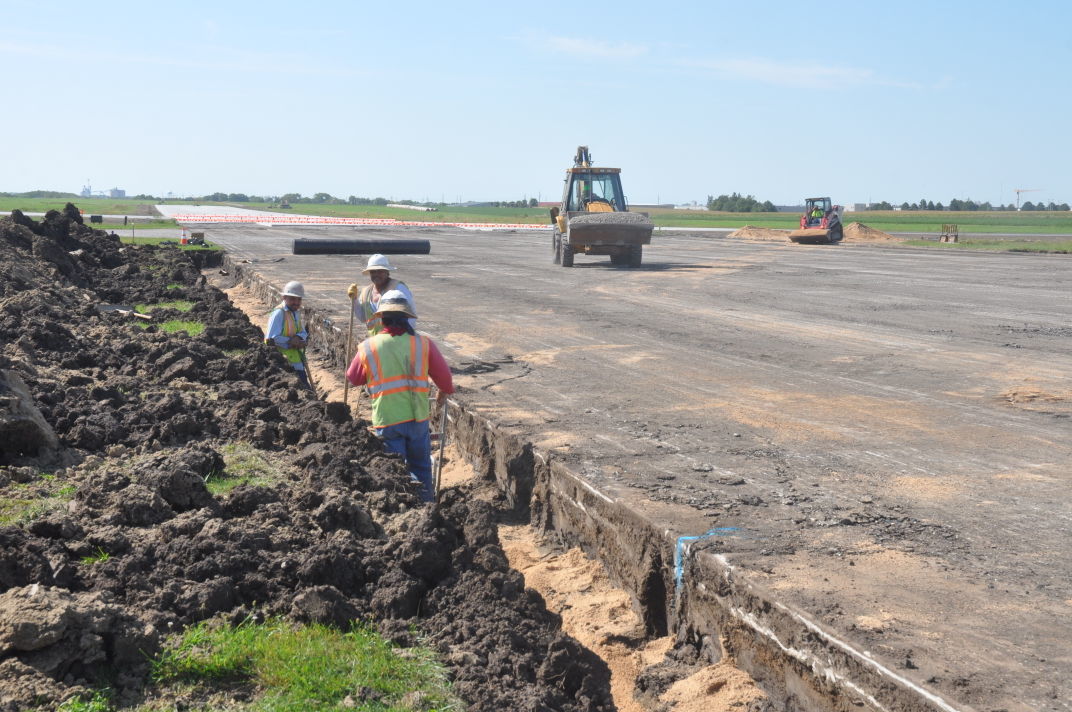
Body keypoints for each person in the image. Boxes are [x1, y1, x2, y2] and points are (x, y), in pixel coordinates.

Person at [346, 293, 453, 503]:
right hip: (417, 418)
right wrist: (442, 391)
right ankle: (427, 510)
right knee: (421, 467)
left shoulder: (370, 346)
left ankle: (404, 512)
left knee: (396, 472)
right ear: (407, 318)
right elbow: (445, 380)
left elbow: (353, 378)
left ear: (382, 318)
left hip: (388, 419)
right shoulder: (423, 344)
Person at [347, 254, 416, 337]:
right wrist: (354, 300)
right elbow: (362, 317)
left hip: (397, 340)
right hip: (376, 344)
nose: (376, 274)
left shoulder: (398, 288)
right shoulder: (366, 292)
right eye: (373, 272)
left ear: (387, 272)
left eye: (380, 271)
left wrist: (405, 339)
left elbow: (410, 317)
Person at [264, 281, 310, 388]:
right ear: (284, 297)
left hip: (297, 360)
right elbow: (271, 339)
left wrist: (298, 338)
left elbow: (303, 332)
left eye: (299, 299)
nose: (296, 302)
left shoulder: (296, 313)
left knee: (306, 389)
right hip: (283, 364)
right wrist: (290, 342)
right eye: (293, 299)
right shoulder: (279, 313)